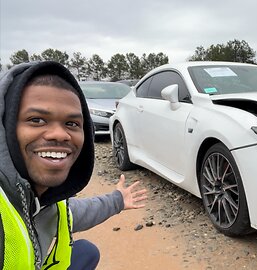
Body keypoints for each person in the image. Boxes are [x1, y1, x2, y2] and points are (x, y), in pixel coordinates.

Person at [0, 61, 148, 269]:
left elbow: (74, 213)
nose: (60, 134)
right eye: (37, 120)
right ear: (5, 127)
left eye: (72, 124)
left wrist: (117, 201)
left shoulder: (45, 200)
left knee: (86, 251)